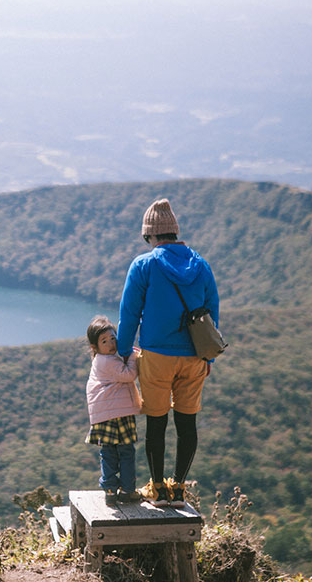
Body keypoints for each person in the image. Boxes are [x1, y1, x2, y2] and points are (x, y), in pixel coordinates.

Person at [116, 198, 220, 508]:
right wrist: (208, 357)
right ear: (174, 233)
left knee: (157, 422)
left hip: (156, 356)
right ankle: (179, 488)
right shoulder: (200, 265)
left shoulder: (144, 265)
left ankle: (158, 489)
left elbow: (130, 313)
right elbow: (211, 313)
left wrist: (122, 351)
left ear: (150, 235)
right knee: (187, 423)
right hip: (194, 357)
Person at [85, 315, 142, 506]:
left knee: (108, 452)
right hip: (118, 414)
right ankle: (127, 490)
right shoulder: (106, 361)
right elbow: (129, 375)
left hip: (105, 415)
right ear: (95, 347)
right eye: (104, 341)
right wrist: (133, 357)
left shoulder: (102, 360)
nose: (110, 343)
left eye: (112, 338)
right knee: (126, 451)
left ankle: (110, 490)